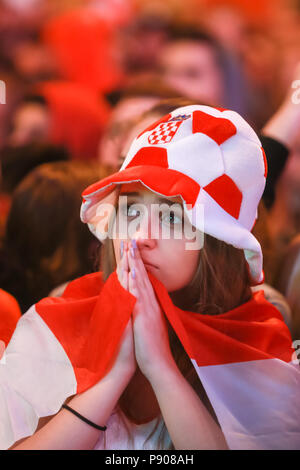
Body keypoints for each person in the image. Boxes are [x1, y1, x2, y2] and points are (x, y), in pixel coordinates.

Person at [2, 105, 300, 450]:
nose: (141, 235)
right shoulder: (56, 318)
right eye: (130, 210)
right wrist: (112, 379)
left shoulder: (256, 340)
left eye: (172, 218)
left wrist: (160, 369)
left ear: (219, 243)